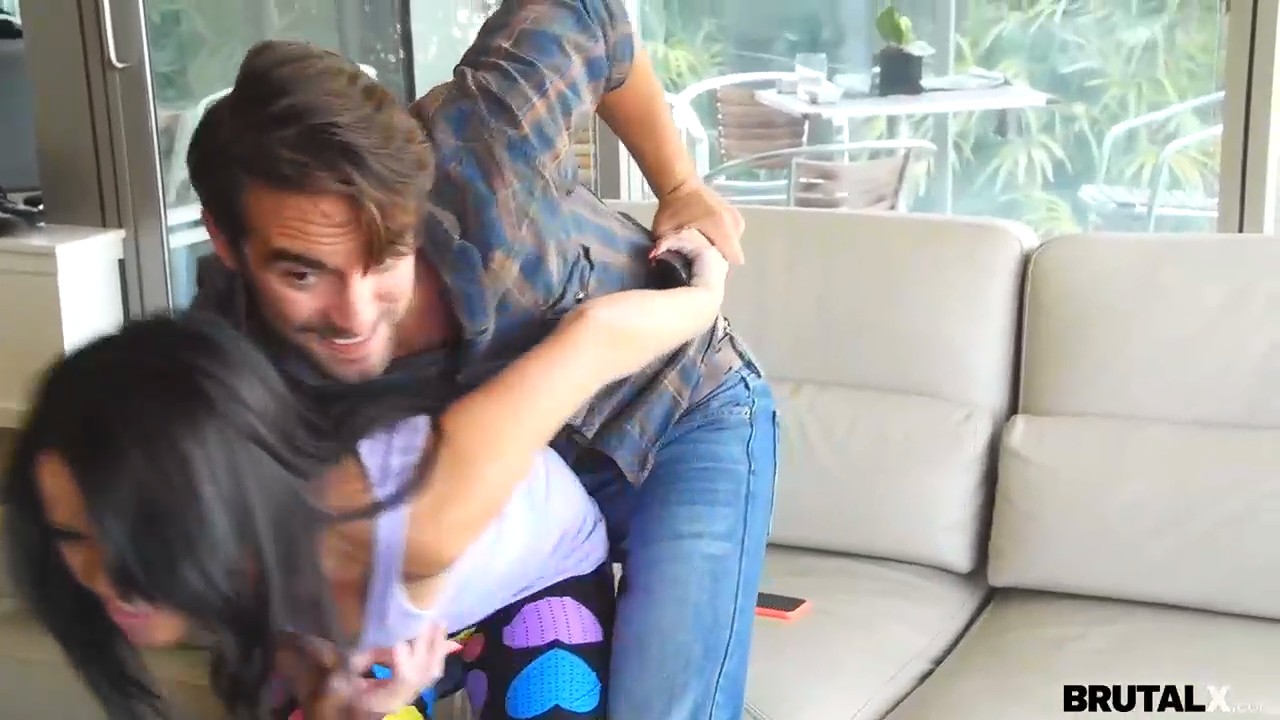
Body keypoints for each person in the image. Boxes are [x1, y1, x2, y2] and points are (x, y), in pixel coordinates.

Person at [188, 1, 778, 717]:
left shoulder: (486, 141)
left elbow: (588, 11)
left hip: (676, 415)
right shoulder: (226, 362)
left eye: (385, 255)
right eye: (303, 273)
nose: (355, 314)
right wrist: (326, 671)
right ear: (225, 242)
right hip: (501, 505)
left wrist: (679, 185)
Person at [2, 231, 729, 720]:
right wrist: (341, 699)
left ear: (213, 494)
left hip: (532, 581)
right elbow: (299, 653)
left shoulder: (419, 512)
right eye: (70, 536)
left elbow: (596, 339)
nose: (99, 577)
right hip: (392, 623)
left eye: (128, 531)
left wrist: (708, 288)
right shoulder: (218, 555)